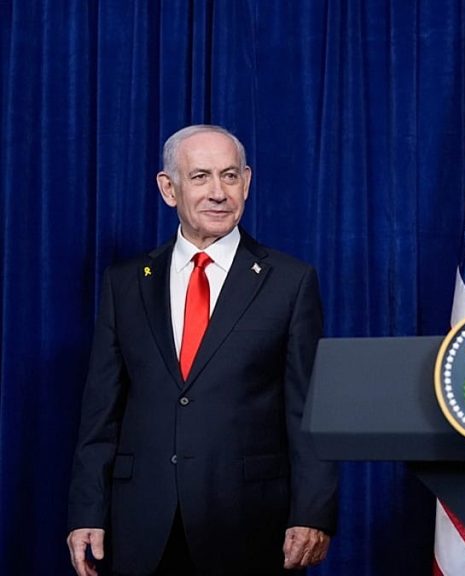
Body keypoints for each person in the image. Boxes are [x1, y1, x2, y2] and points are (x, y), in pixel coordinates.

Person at [66, 125, 339, 576]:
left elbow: (309, 410)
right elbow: (101, 412)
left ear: (246, 182)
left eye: (229, 176)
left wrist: (312, 512)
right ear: (168, 188)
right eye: (200, 177)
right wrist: (86, 511)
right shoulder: (125, 283)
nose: (218, 192)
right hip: (141, 525)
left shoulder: (290, 282)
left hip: (249, 524)